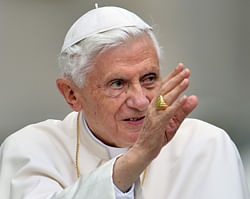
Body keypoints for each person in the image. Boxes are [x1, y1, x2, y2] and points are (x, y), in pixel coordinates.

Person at [0, 6, 249, 199]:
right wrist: (138, 156)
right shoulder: (30, 150)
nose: (141, 102)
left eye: (149, 79)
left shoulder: (206, 146)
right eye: (117, 84)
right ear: (72, 95)